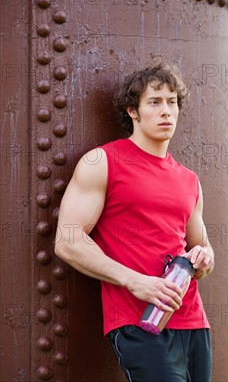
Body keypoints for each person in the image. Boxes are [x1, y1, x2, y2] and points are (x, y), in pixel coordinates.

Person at [55, 62, 214, 382]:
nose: (165, 110)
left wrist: (205, 257)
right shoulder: (102, 161)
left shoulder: (189, 180)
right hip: (139, 320)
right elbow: (68, 241)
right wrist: (134, 281)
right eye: (154, 102)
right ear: (132, 111)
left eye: (172, 102)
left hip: (193, 322)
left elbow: (201, 249)